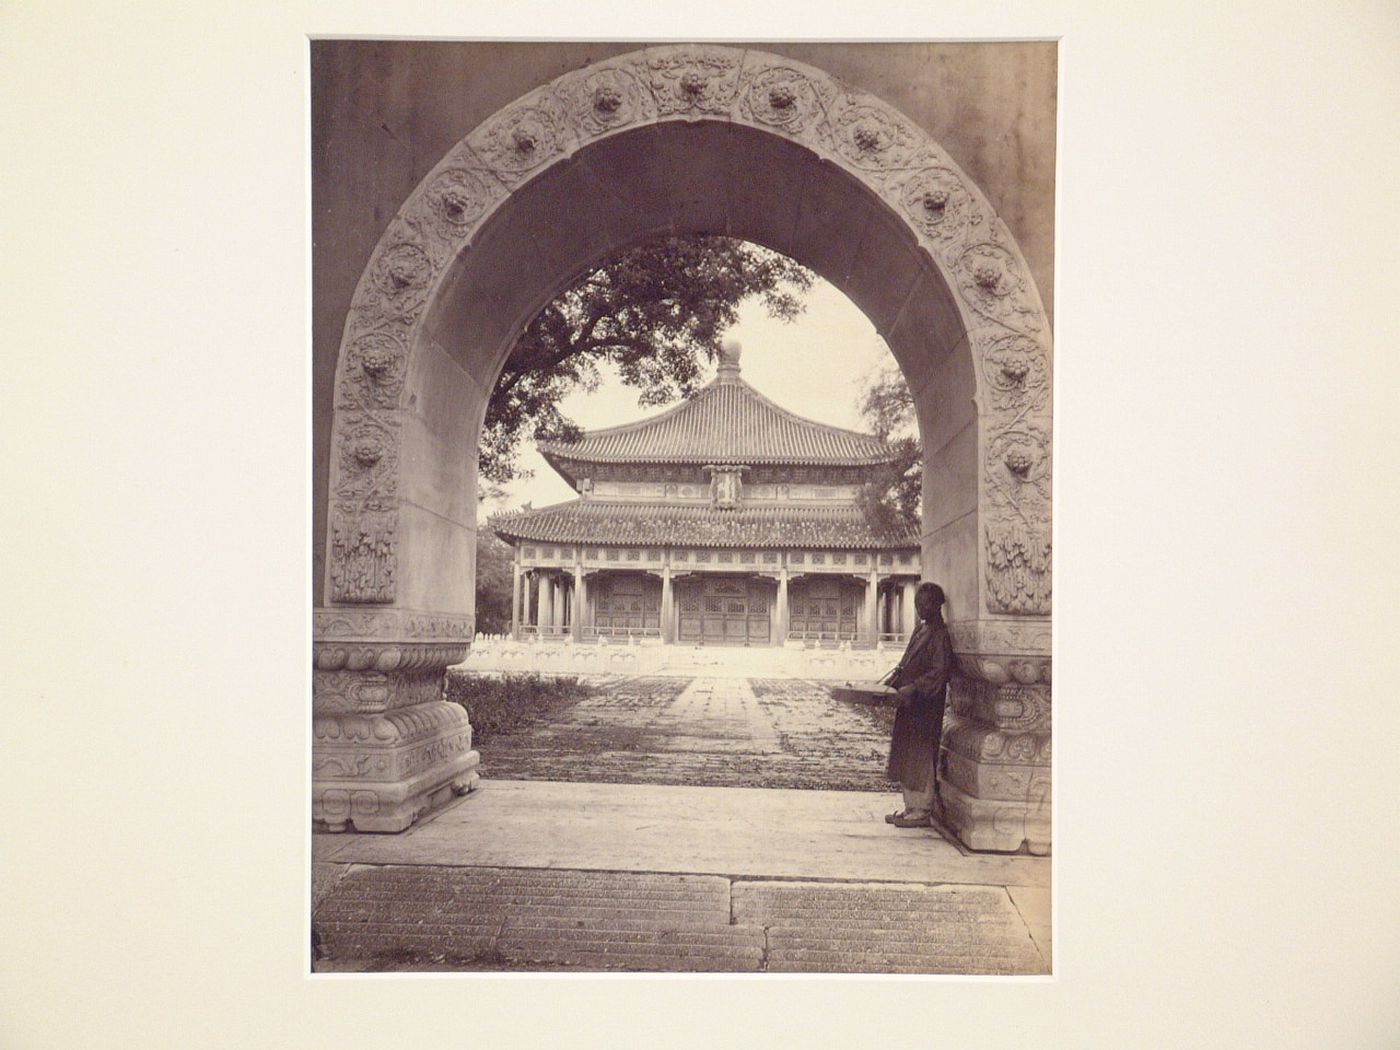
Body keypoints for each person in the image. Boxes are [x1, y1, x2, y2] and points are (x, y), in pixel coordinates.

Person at [882, 582, 954, 828]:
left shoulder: (940, 635)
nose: (920, 609)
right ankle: (910, 806)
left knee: (921, 755)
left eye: (924, 604)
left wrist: (914, 687)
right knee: (906, 754)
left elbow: (939, 672)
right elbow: (906, 663)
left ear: (937, 605)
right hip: (909, 704)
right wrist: (894, 681)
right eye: (917, 605)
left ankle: (922, 809)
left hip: (925, 705)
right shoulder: (920, 631)